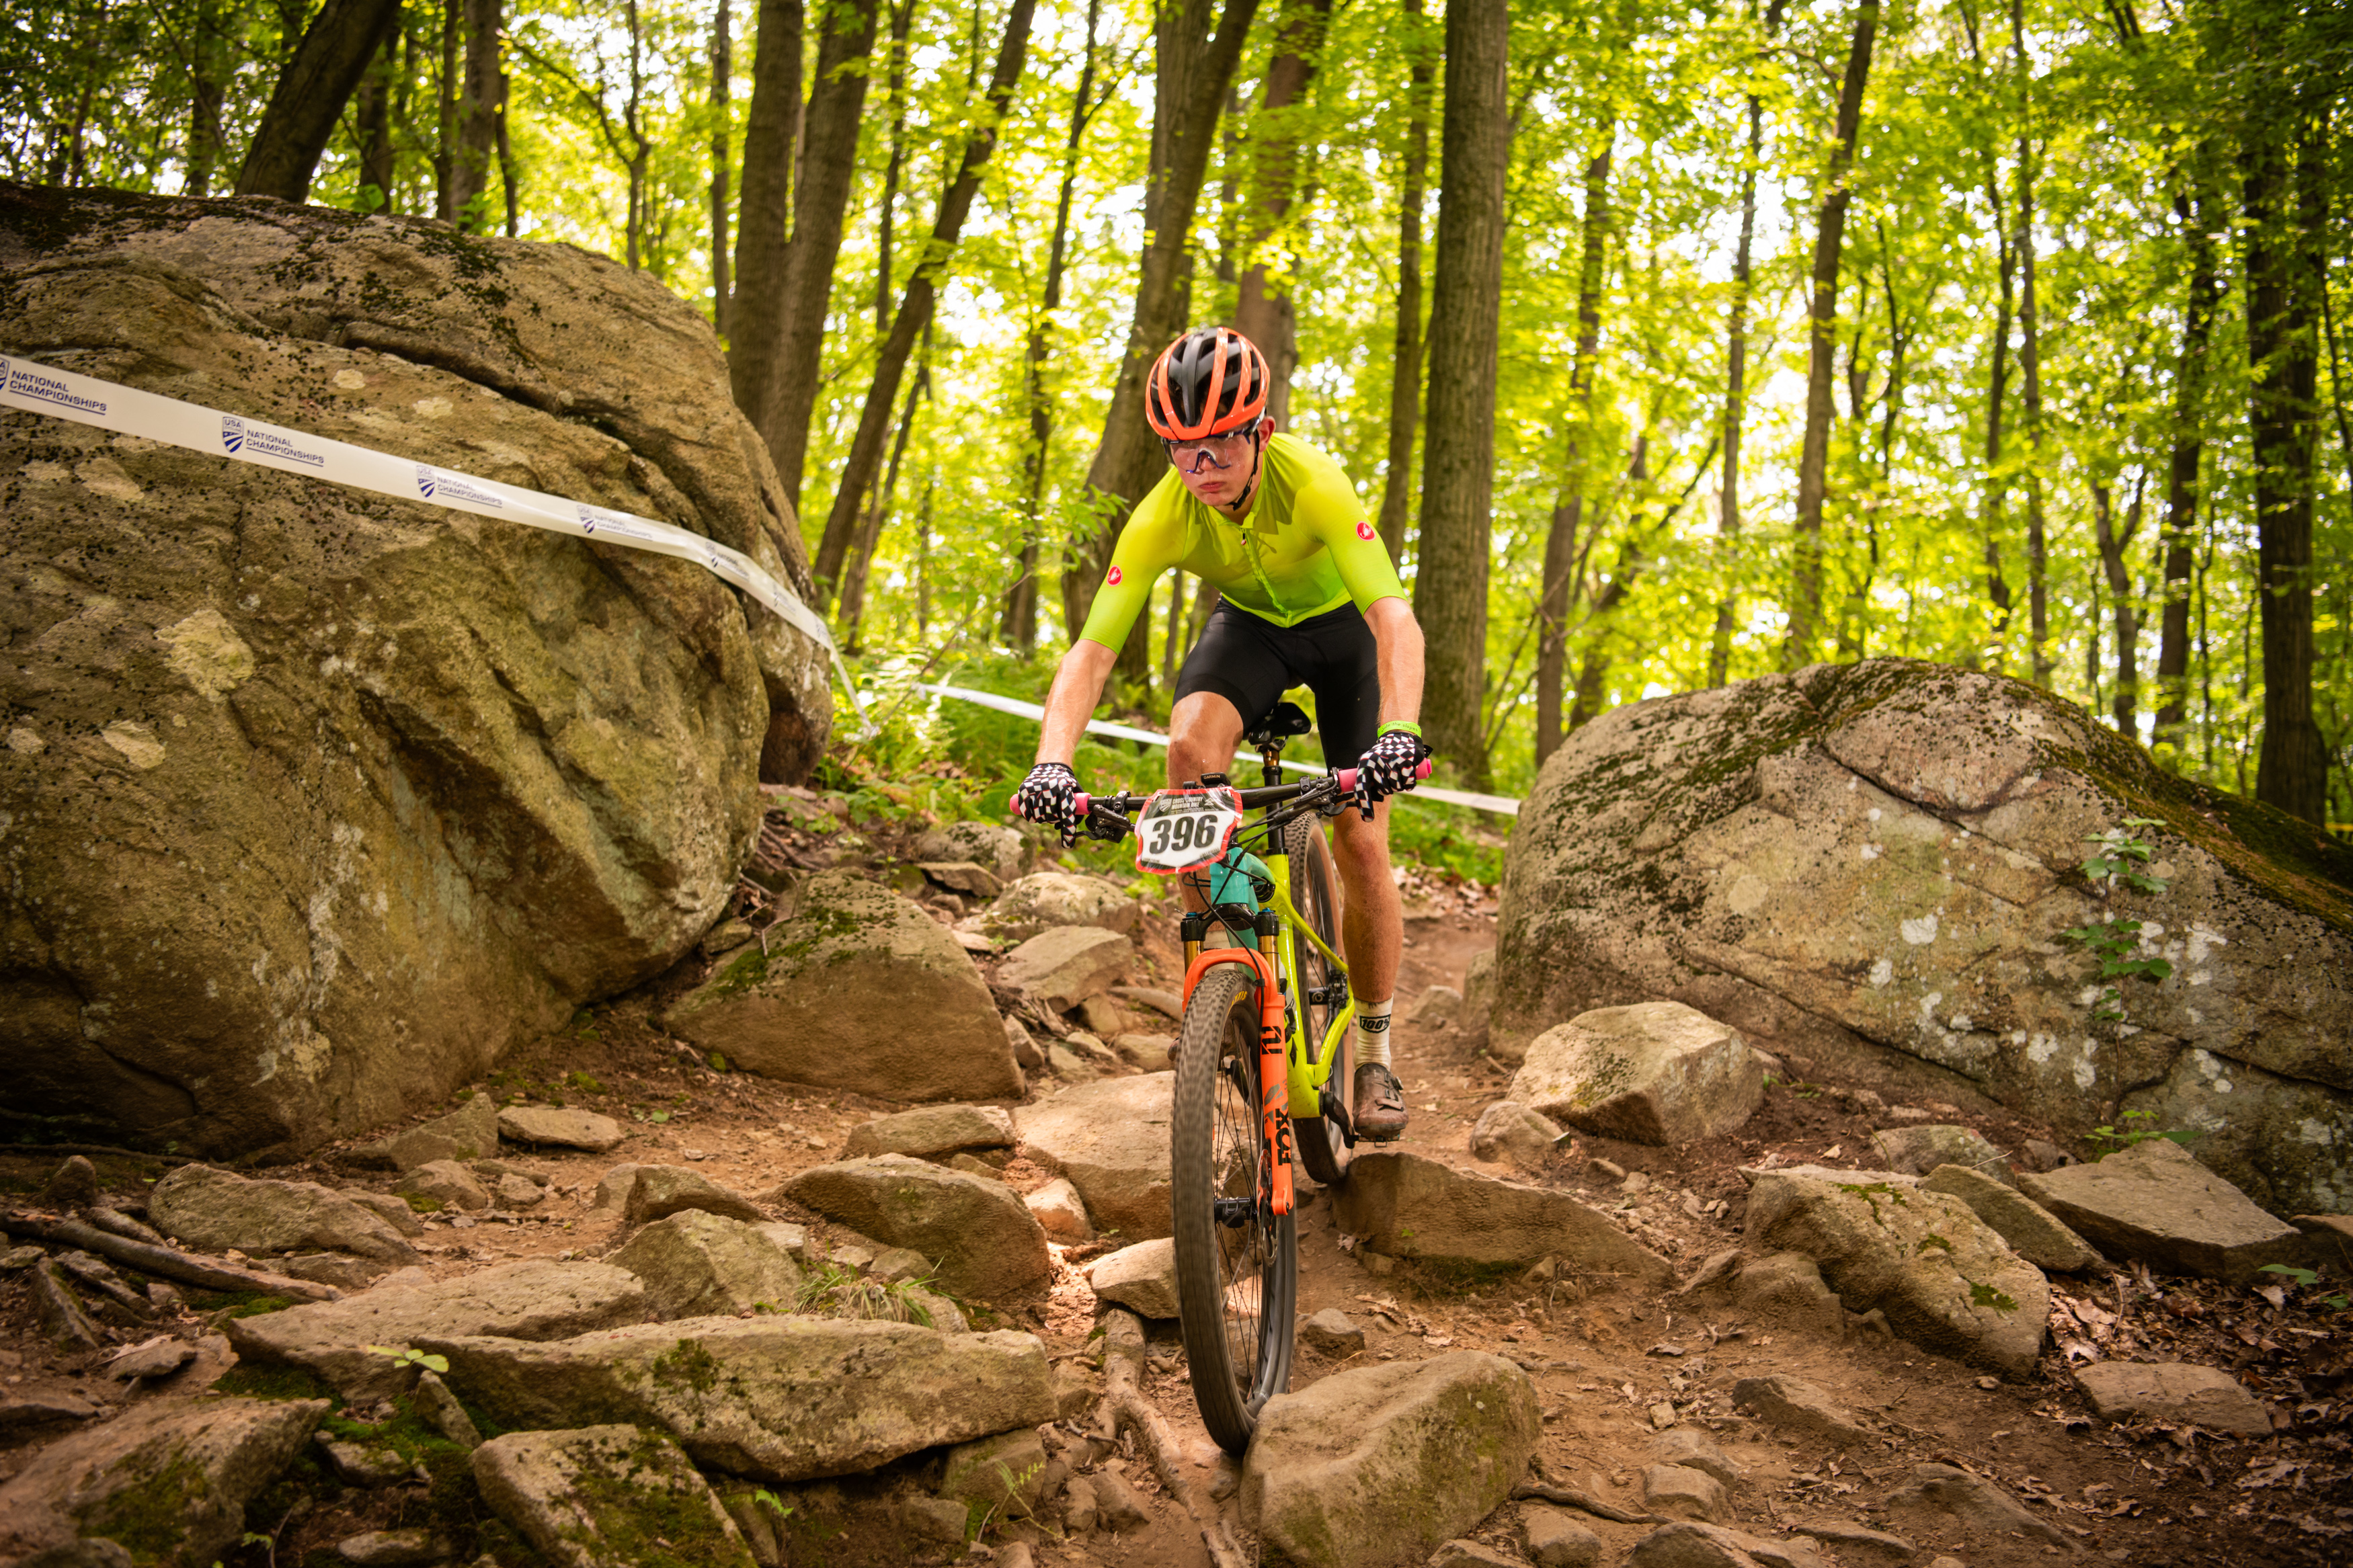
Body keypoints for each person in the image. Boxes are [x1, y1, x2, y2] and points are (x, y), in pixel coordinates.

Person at [1013, 326, 1429, 1141]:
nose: (1201, 468)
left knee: (1360, 834)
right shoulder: (1163, 512)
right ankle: (1229, 970)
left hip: (1343, 635)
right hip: (1250, 630)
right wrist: (1050, 763)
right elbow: (1089, 654)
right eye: (1181, 449)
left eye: (1218, 446)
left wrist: (1399, 731)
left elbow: (1393, 618)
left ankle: (1375, 1049)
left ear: (1259, 431)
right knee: (1186, 754)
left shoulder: (1311, 482)